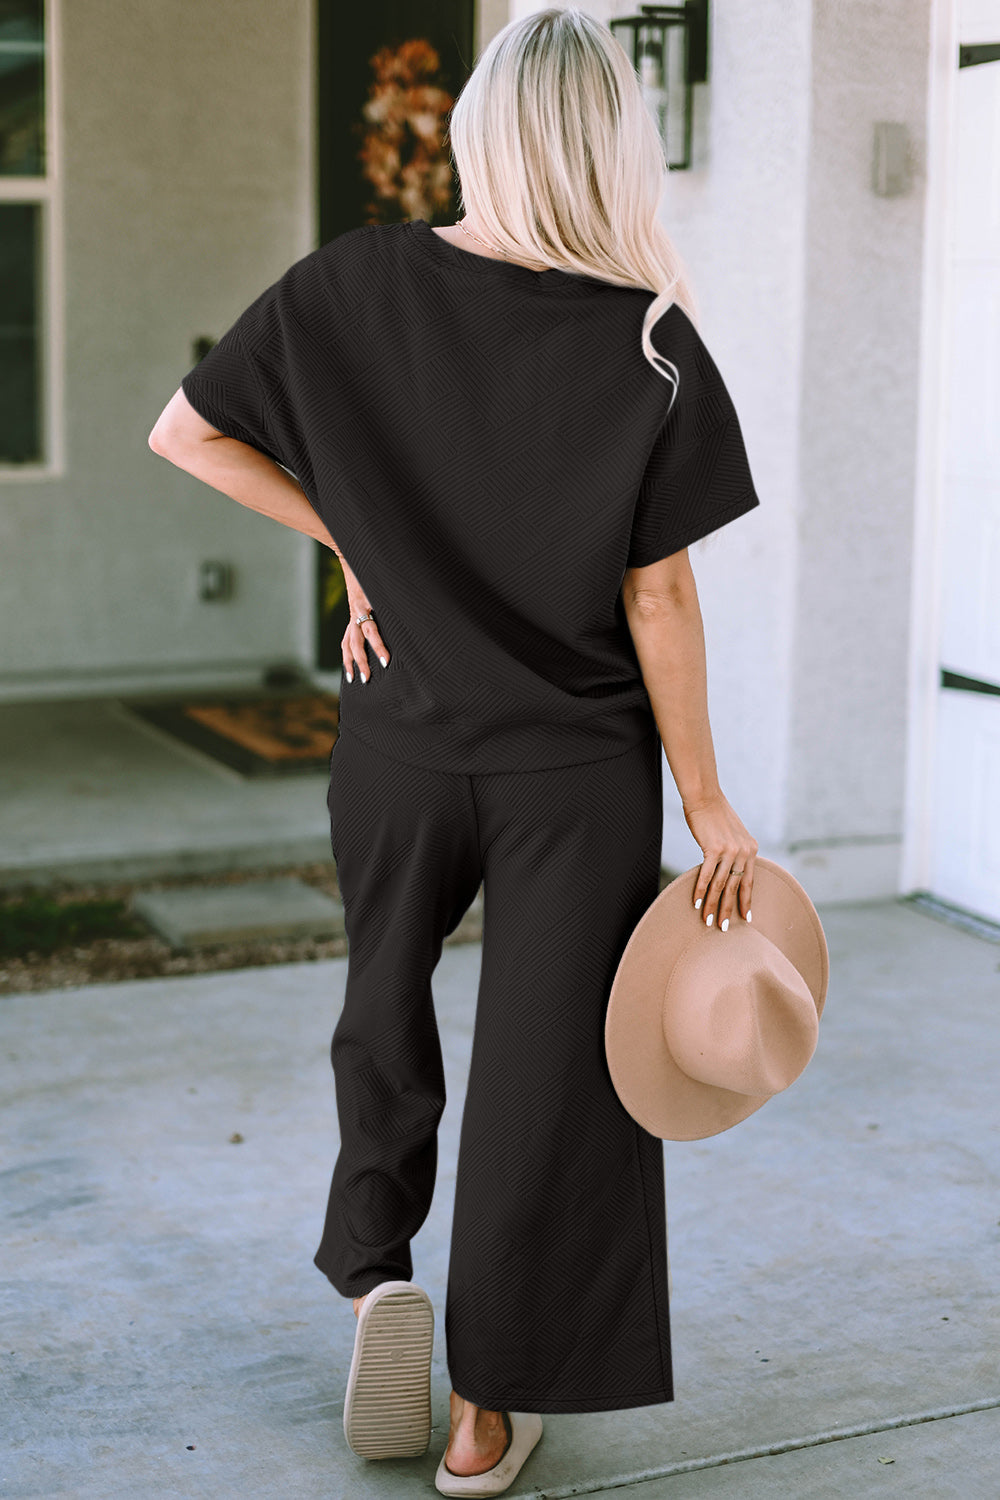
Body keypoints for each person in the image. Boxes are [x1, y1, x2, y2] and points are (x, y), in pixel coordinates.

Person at [148, 6, 761, 1493]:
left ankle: (375, 1272)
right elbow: (658, 595)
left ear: (478, 130)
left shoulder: (352, 284)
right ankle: (490, 1407)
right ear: (610, 147)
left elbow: (187, 433)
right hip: (574, 769)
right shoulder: (648, 339)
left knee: (382, 1005)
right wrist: (710, 801)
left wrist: (352, 537)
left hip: (402, 736)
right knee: (554, 1071)